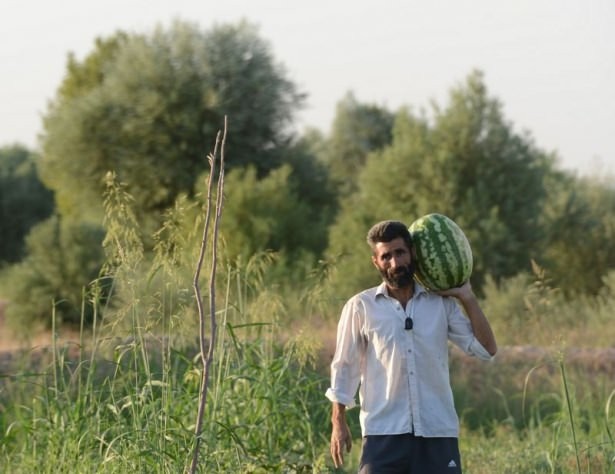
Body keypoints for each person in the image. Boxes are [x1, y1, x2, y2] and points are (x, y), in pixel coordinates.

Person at [326, 220, 497, 473]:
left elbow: (486, 350)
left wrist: (467, 297)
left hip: (437, 432)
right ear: (376, 261)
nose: (394, 263)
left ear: (412, 253)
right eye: (386, 257)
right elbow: (344, 367)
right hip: (383, 433)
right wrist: (338, 422)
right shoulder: (360, 307)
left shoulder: (441, 303)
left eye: (400, 253)